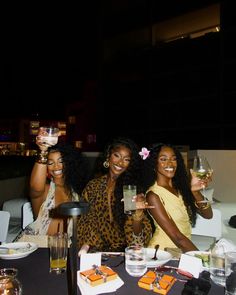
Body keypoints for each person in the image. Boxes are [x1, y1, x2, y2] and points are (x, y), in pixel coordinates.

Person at [77, 137, 153, 252]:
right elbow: (84, 222)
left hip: (124, 253)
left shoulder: (130, 190)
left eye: (126, 159)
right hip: (96, 251)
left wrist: (137, 216)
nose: (120, 162)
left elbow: (137, 242)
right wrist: (87, 246)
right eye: (117, 156)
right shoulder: (93, 186)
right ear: (108, 156)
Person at [142, 143, 213, 253]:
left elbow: (208, 215)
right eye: (163, 159)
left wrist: (195, 192)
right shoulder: (153, 195)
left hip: (181, 252)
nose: (170, 163)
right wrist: (202, 259)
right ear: (154, 163)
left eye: (173, 159)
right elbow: (177, 237)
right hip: (162, 254)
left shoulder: (181, 189)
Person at [27, 139, 89, 237]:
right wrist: (43, 151)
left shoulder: (76, 193)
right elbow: (35, 188)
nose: (56, 167)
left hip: (67, 247)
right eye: (50, 163)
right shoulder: (45, 190)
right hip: (38, 246)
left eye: (61, 161)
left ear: (69, 163)